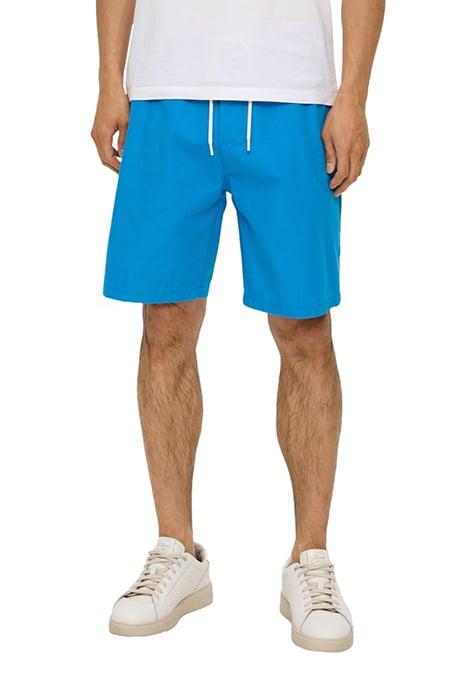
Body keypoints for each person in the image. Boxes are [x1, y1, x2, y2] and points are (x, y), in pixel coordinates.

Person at [92, 0, 384, 651]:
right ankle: (176, 549)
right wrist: (110, 80)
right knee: (165, 323)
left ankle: (310, 558)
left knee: (305, 329)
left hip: (294, 93)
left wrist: (353, 97)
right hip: (164, 91)